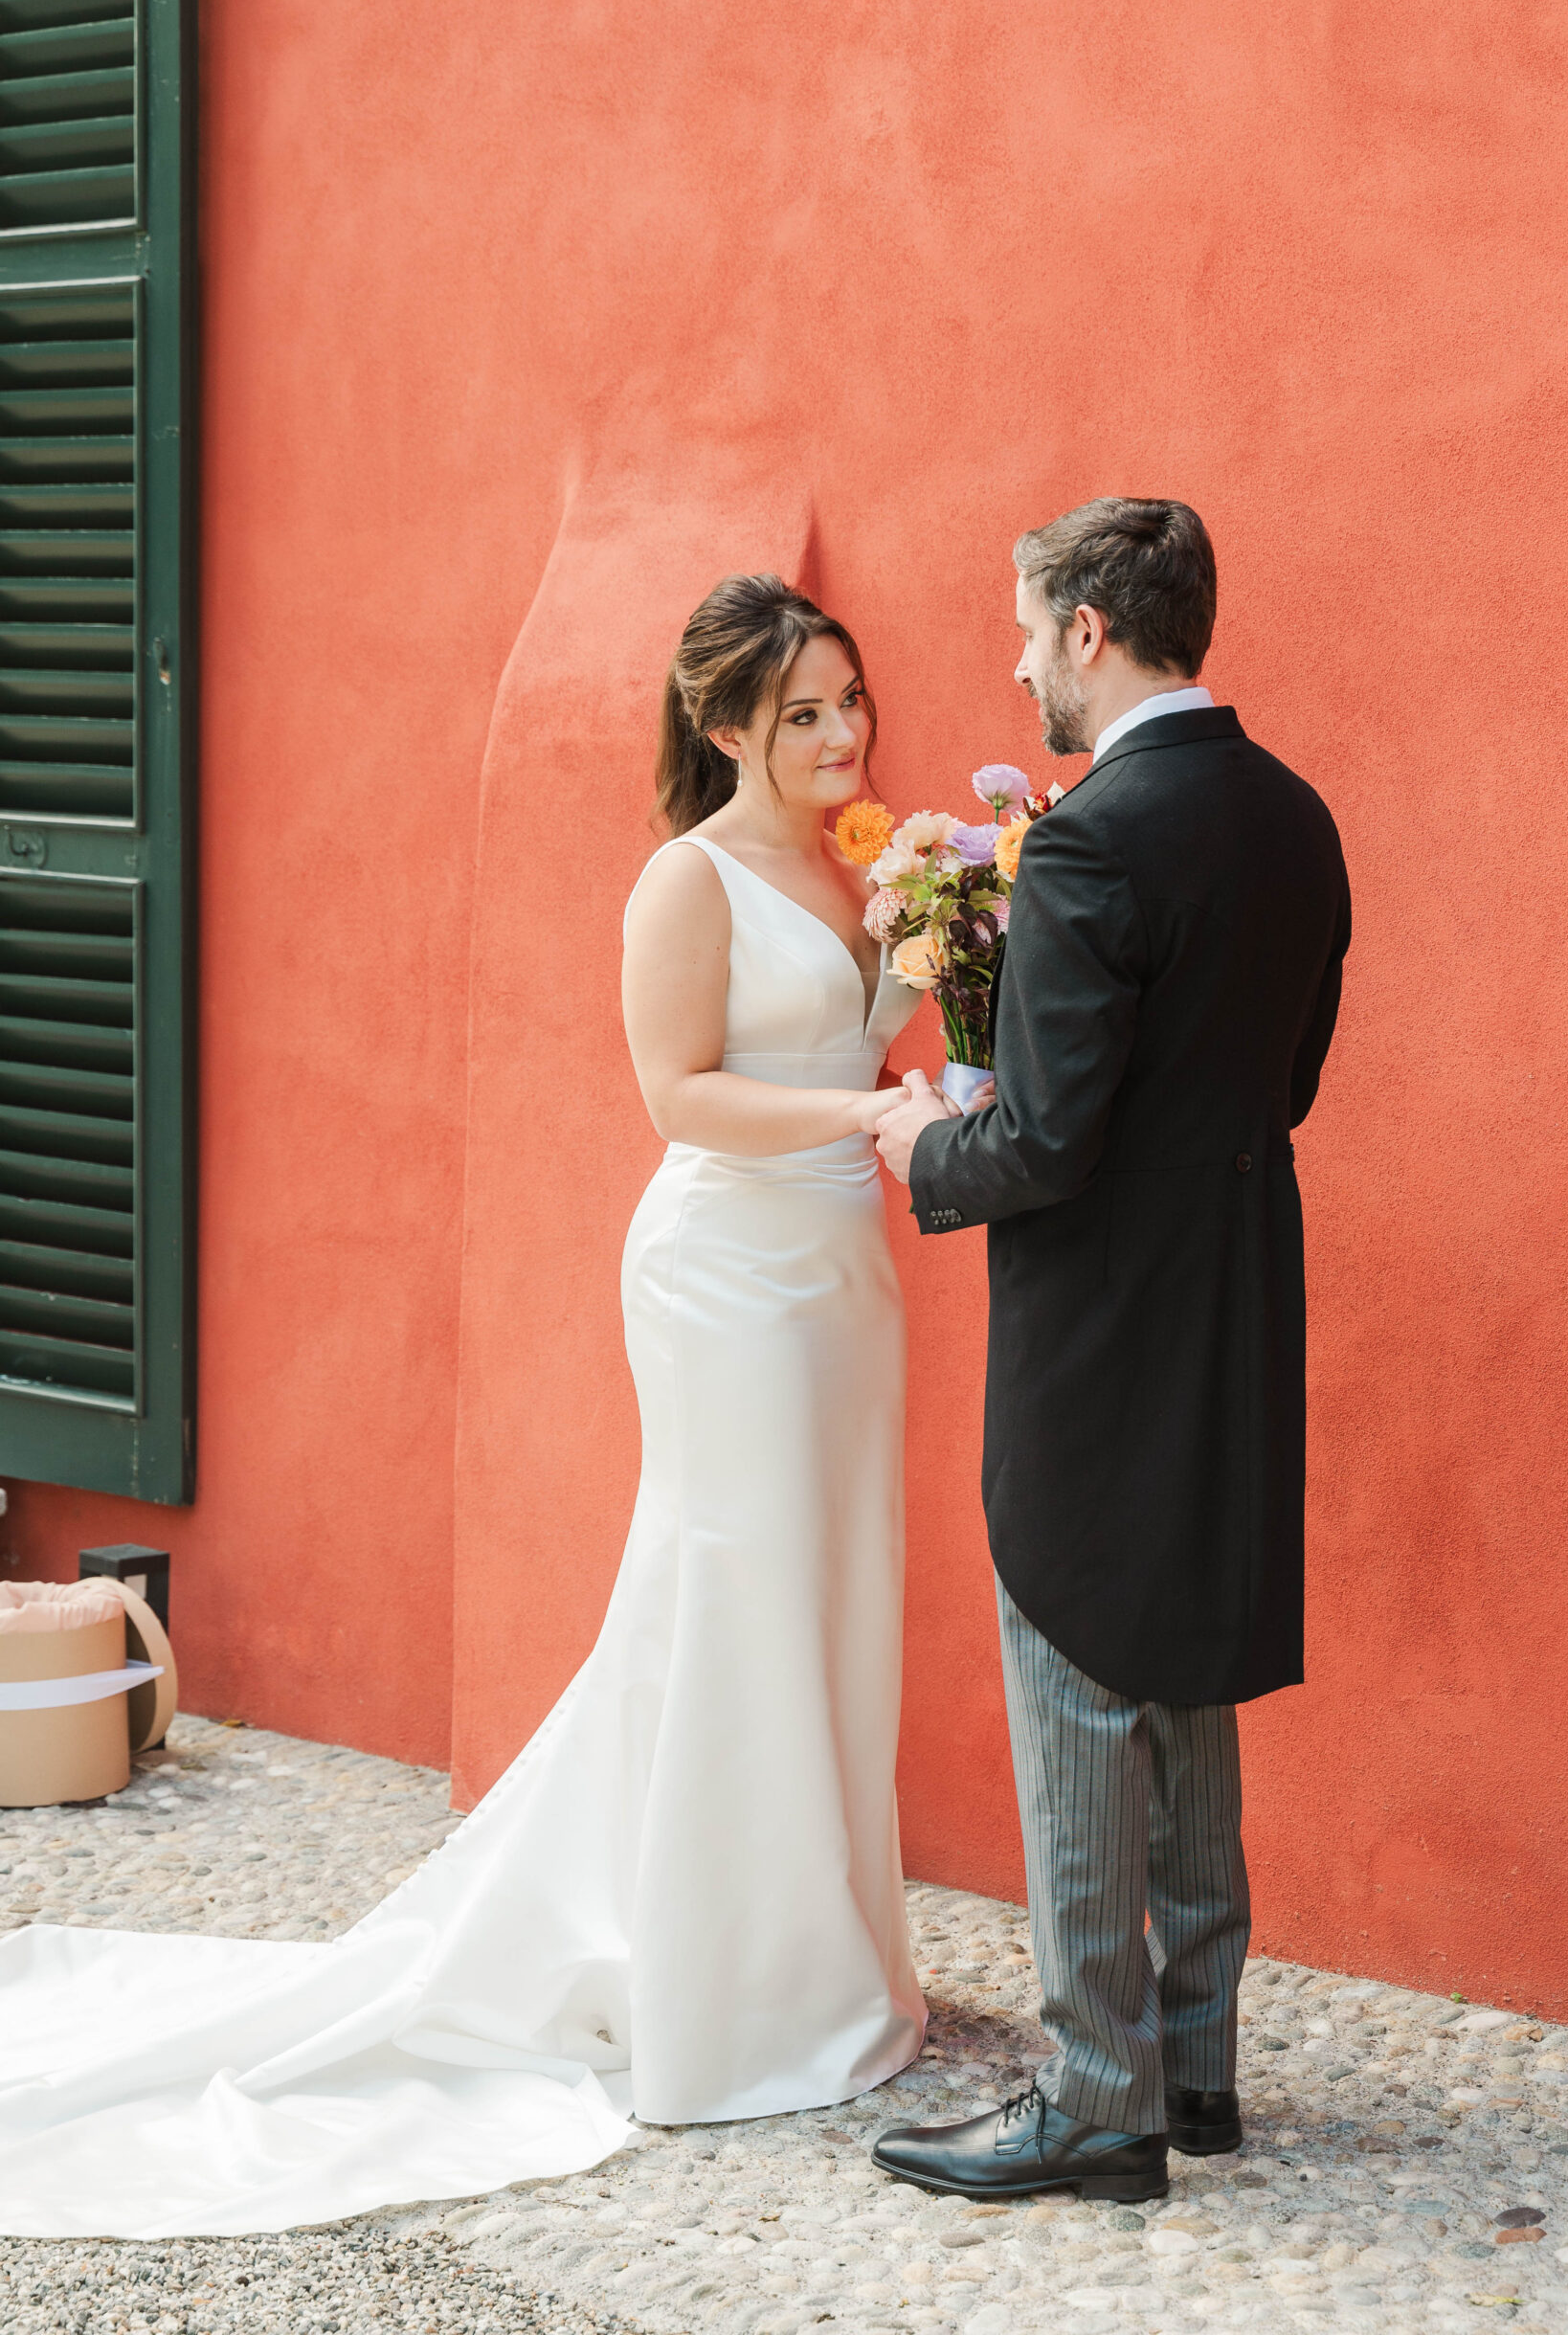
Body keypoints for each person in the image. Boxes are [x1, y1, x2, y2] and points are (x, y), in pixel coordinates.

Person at [0, 574, 926, 2237]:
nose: (844, 733)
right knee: (732, 1592)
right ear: (726, 726)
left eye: (851, 700)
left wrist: (944, 973)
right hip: (730, 1279)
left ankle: (823, 1946)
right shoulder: (688, 877)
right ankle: (732, 1989)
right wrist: (869, 1111)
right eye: (804, 711)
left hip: (848, 1278)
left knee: (830, 1592)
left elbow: (867, 1041)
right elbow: (681, 1095)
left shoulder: (863, 868)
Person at [870, 499, 1350, 2205]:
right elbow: (1279, 1085)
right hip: (1235, 1300)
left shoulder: (1089, 842)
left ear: (1089, 631)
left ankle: (1094, 2096)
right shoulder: (1294, 818)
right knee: (1183, 1667)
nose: (1013, 662)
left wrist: (927, 1138)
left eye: (1024, 629)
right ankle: (1196, 2071)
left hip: (1095, 1334)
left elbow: (1047, 1148)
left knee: (1077, 1663)